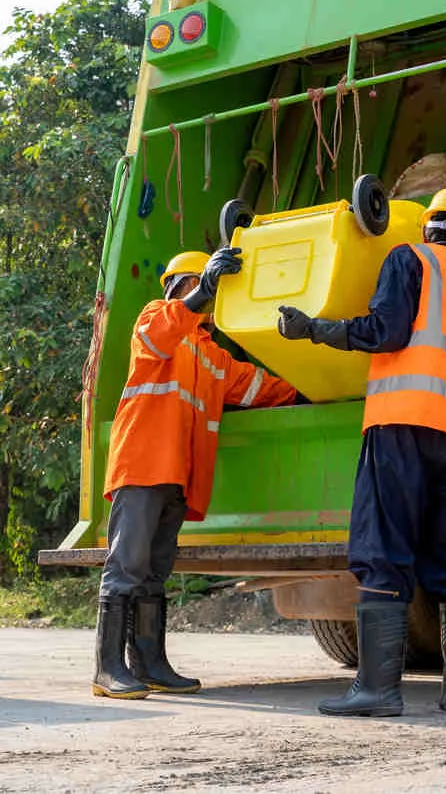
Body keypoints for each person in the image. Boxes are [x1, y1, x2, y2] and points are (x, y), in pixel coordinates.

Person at [277, 186, 446, 717]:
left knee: (383, 547)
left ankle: (379, 690)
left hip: (402, 424)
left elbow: (385, 332)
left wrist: (314, 328)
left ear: (428, 225)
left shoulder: (411, 259)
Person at [95, 246, 299, 700]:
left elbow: (257, 387)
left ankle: (149, 663)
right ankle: (107, 669)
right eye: (201, 285)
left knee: (153, 571)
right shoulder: (156, 318)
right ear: (182, 285)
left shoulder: (212, 356)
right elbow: (158, 335)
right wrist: (201, 291)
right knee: (126, 566)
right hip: (144, 464)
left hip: (176, 475)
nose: (206, 295)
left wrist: (309, 386)